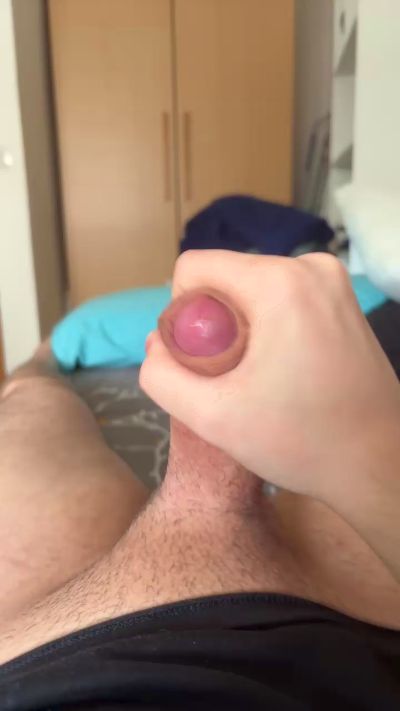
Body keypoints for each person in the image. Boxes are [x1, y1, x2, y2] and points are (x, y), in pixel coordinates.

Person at [0, 250, 399, 710]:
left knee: (32, 393)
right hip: (365, 638)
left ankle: (42, 361)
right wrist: (378, 460)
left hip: (34, 661)